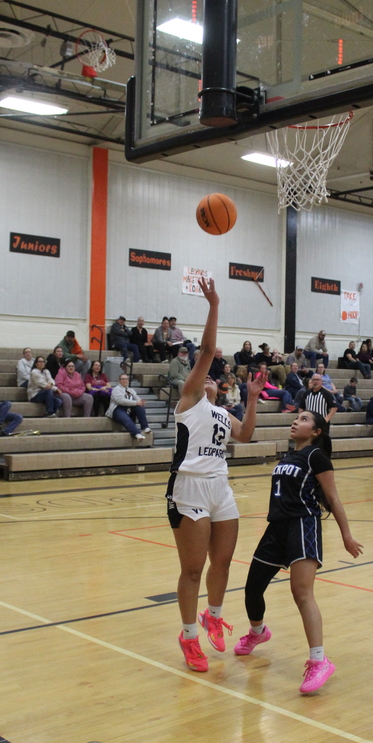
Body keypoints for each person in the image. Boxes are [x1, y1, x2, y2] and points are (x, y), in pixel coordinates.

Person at [166, 276, 266, 674]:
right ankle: (189, 637)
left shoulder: (223, 412)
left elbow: (245, 435)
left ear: (220, 388)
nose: (206, 378)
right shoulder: (190, 401)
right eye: (202, 375)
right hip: (189, 487)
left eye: (212, 379)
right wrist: (214, 305)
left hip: (220, 487)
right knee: (193, 569)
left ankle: (213, 615)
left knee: (222, 562)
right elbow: (207, 351)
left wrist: (253, 399)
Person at [233, 410, 362, 694]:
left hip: (302, 525)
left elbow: (332, 497)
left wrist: (347, 536)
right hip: (276, 528)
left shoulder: (317, 457)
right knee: (253, 588)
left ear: (316, 432)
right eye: (297, 417)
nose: (296, 421)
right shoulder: (288, 456)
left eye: (304, 419)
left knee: (302, 593)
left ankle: (319, 661)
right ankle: (258, 632)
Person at [106, 373, 150, 438]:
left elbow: (137, 398)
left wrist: (141, 401)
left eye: (126, 379)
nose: (125, 380)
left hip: (129, 408)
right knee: (126, 419)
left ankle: (145, 427)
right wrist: (136, 403)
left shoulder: (131, 390)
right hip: (118, 408)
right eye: (123, 379)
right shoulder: (116, 390)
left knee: (140, 407)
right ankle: (136, 433)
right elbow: (121, 401)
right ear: (119, 381)